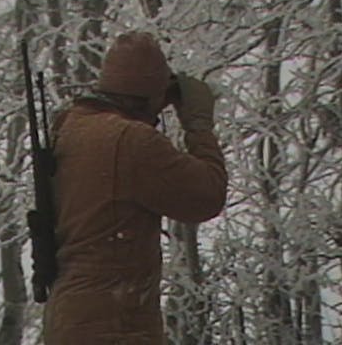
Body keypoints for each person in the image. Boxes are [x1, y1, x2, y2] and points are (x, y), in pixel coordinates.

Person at [43, 31, 228, 344]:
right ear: (148, 98)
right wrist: (198, 125)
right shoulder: (130, 140)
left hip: (70, 322)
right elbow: (206, 196)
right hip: (116, 327)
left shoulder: (71, 126)